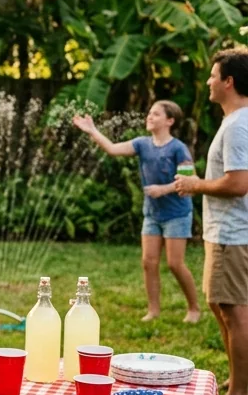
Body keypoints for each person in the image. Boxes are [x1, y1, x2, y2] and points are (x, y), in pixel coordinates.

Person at [73, 101, 201, 323]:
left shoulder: (178, 148)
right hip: (152, 213)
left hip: (177, 213)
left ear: (169, 121)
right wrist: (92, 130)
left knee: (174, 263)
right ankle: (153, 310)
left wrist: (164, 189)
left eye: (156, 114)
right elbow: (113, 149)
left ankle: (194, 308)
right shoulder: (142, 144)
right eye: (149, 112)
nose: (149, 116)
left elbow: (192, 181)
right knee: (148, 262)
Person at [176, 49, 248, 395]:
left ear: (229, 81)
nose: (208, 81)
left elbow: (237, 183)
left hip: (232, 233)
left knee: (233, 309)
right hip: (225, 231)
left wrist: (196, 185)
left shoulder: (237, 125)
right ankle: (238, 381)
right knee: (222, 305)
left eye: (213, 75)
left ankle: (240, 392)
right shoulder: (235, 121)